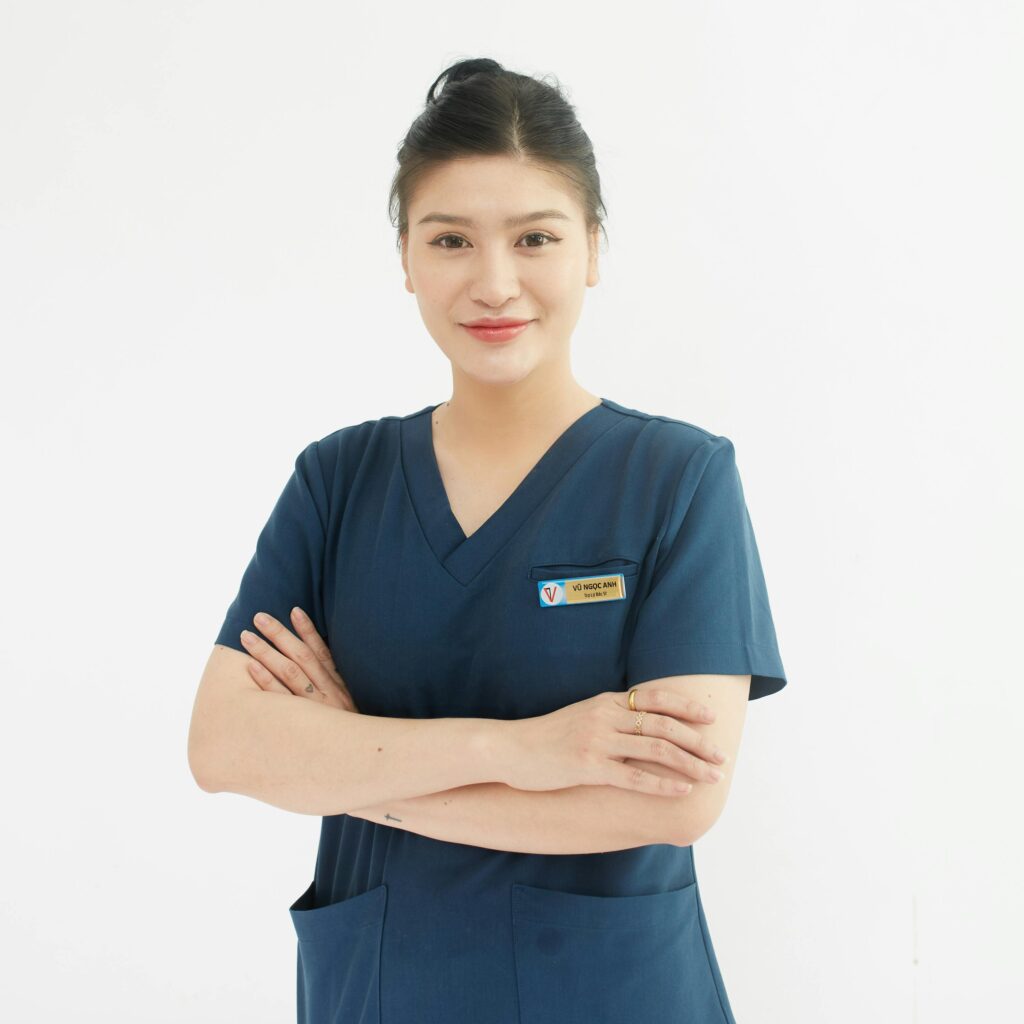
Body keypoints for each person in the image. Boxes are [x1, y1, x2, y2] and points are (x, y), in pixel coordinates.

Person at [188, 56, 787, 1024]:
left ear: (591, 246)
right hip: (384, 984)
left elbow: (672, 801)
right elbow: (224, 746)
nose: (494, 282)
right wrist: (529, 749)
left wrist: (354, 771)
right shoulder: (339, 481)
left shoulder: (675, 477)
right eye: (452, 238)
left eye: (535, 237)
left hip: (609, 990)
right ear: (406, 258)